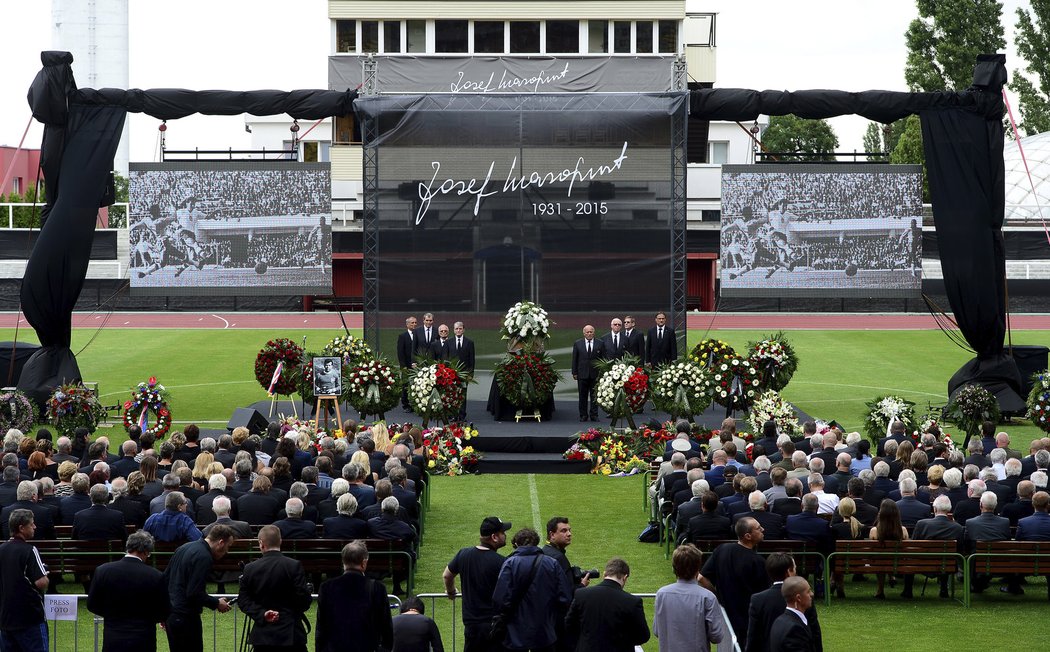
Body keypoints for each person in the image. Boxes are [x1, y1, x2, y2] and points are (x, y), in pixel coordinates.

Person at [492, 527, 572, 652]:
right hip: (545, 633)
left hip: (515, 635)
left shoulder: (510, 563)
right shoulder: (552, 563)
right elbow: (565, 598)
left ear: (516, 544)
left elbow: (500, 599)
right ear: (536, 543)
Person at [88, 531, 170, 652]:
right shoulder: (155, 576)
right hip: (143, 637)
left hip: (113, 636)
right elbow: (164, 610)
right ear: (146, 552)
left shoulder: (103, 571)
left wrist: (111, 614)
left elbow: (92, 604)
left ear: (128, 547)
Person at [237, 525, 313, 652]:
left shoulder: (250, 568)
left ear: (261, 544)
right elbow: (304, 600)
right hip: (291, 633)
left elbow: (244, 600)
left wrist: (262, 613)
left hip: (263, 635)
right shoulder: (293, 566)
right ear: (280, 541)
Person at [699, 517, 771, 649]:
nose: (763, 529)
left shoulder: (722, 550)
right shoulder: (758, 562)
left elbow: (701, 578)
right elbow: (765, 595)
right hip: (748, 619)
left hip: (725, 616)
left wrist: (717, 596)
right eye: (758, 528)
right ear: (748, 536)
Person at [443, 516, 511, 652]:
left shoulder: (463, 554)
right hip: (494, 625)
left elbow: (447, 575)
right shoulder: (502, 562)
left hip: (471, 626)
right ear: (494, 537)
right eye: (502, 532)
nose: (505, 535)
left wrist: (451, 592)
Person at [162, 525, 235, 652]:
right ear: (221, 542)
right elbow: (194, 593)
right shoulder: (204, 557)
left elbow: (165, 580)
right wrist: (216, 603)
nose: (227, 551)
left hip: (172, 614)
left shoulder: (183, 548)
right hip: (186, 617)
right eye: (228, 547)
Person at [316, 540, 393, 652]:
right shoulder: (377, 588)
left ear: (343, 562)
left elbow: (321, 628)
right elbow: (386, 627)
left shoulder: (326, 587)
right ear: (364, 563)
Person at [564, 558, 649, 652]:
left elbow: (569, 625)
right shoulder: (632, 602)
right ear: (625, 578)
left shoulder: (581, 594)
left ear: (604, 574)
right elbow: (642, 636)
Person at [653, 544, 724, 652]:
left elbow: (657, 631)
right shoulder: (708, 597)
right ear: (698, 568)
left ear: (674, 568)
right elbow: (716, 636)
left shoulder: (662, 594)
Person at [746, 552, 822, 652]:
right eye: (794, 568)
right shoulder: (802, 597)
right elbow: (815, 633)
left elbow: (753, 637)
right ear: (789, 572)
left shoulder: (758, 599)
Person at [0, 509, 48, 652]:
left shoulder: (1, 549)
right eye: (31, 524)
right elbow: (42, 582)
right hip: (29, 618)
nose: (35, 527)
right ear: (21, 528)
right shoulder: (29, 550)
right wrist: (45, 575)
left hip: (6, 618)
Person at [869, 499, 909, 599]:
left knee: (880, 558)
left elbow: (871, 550)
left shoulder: (874, 531)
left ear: (881, 513)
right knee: (888, 557)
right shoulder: (902, 530)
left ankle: (880, 590)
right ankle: (891, 576)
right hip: (897, 561)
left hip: (879, 561)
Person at [768, 576, 816, 652]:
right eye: (808, 591)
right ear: (798, 598)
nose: (812, 594)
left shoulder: (779, 620)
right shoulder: (795, 629)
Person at [571, 326, 604, 422]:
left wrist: (602, 373)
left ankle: (594, 415)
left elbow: (603, 359)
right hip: (582, 374)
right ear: (584, 333)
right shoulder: (578, 343)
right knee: (582, 396)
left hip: (595, 374)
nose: (589, 333)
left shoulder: (600, 343)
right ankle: (583, 415)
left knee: (595, 396)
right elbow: (575, 359)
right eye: (587, 332)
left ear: (594, 332)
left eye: (591, 332)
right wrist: (574, 372)